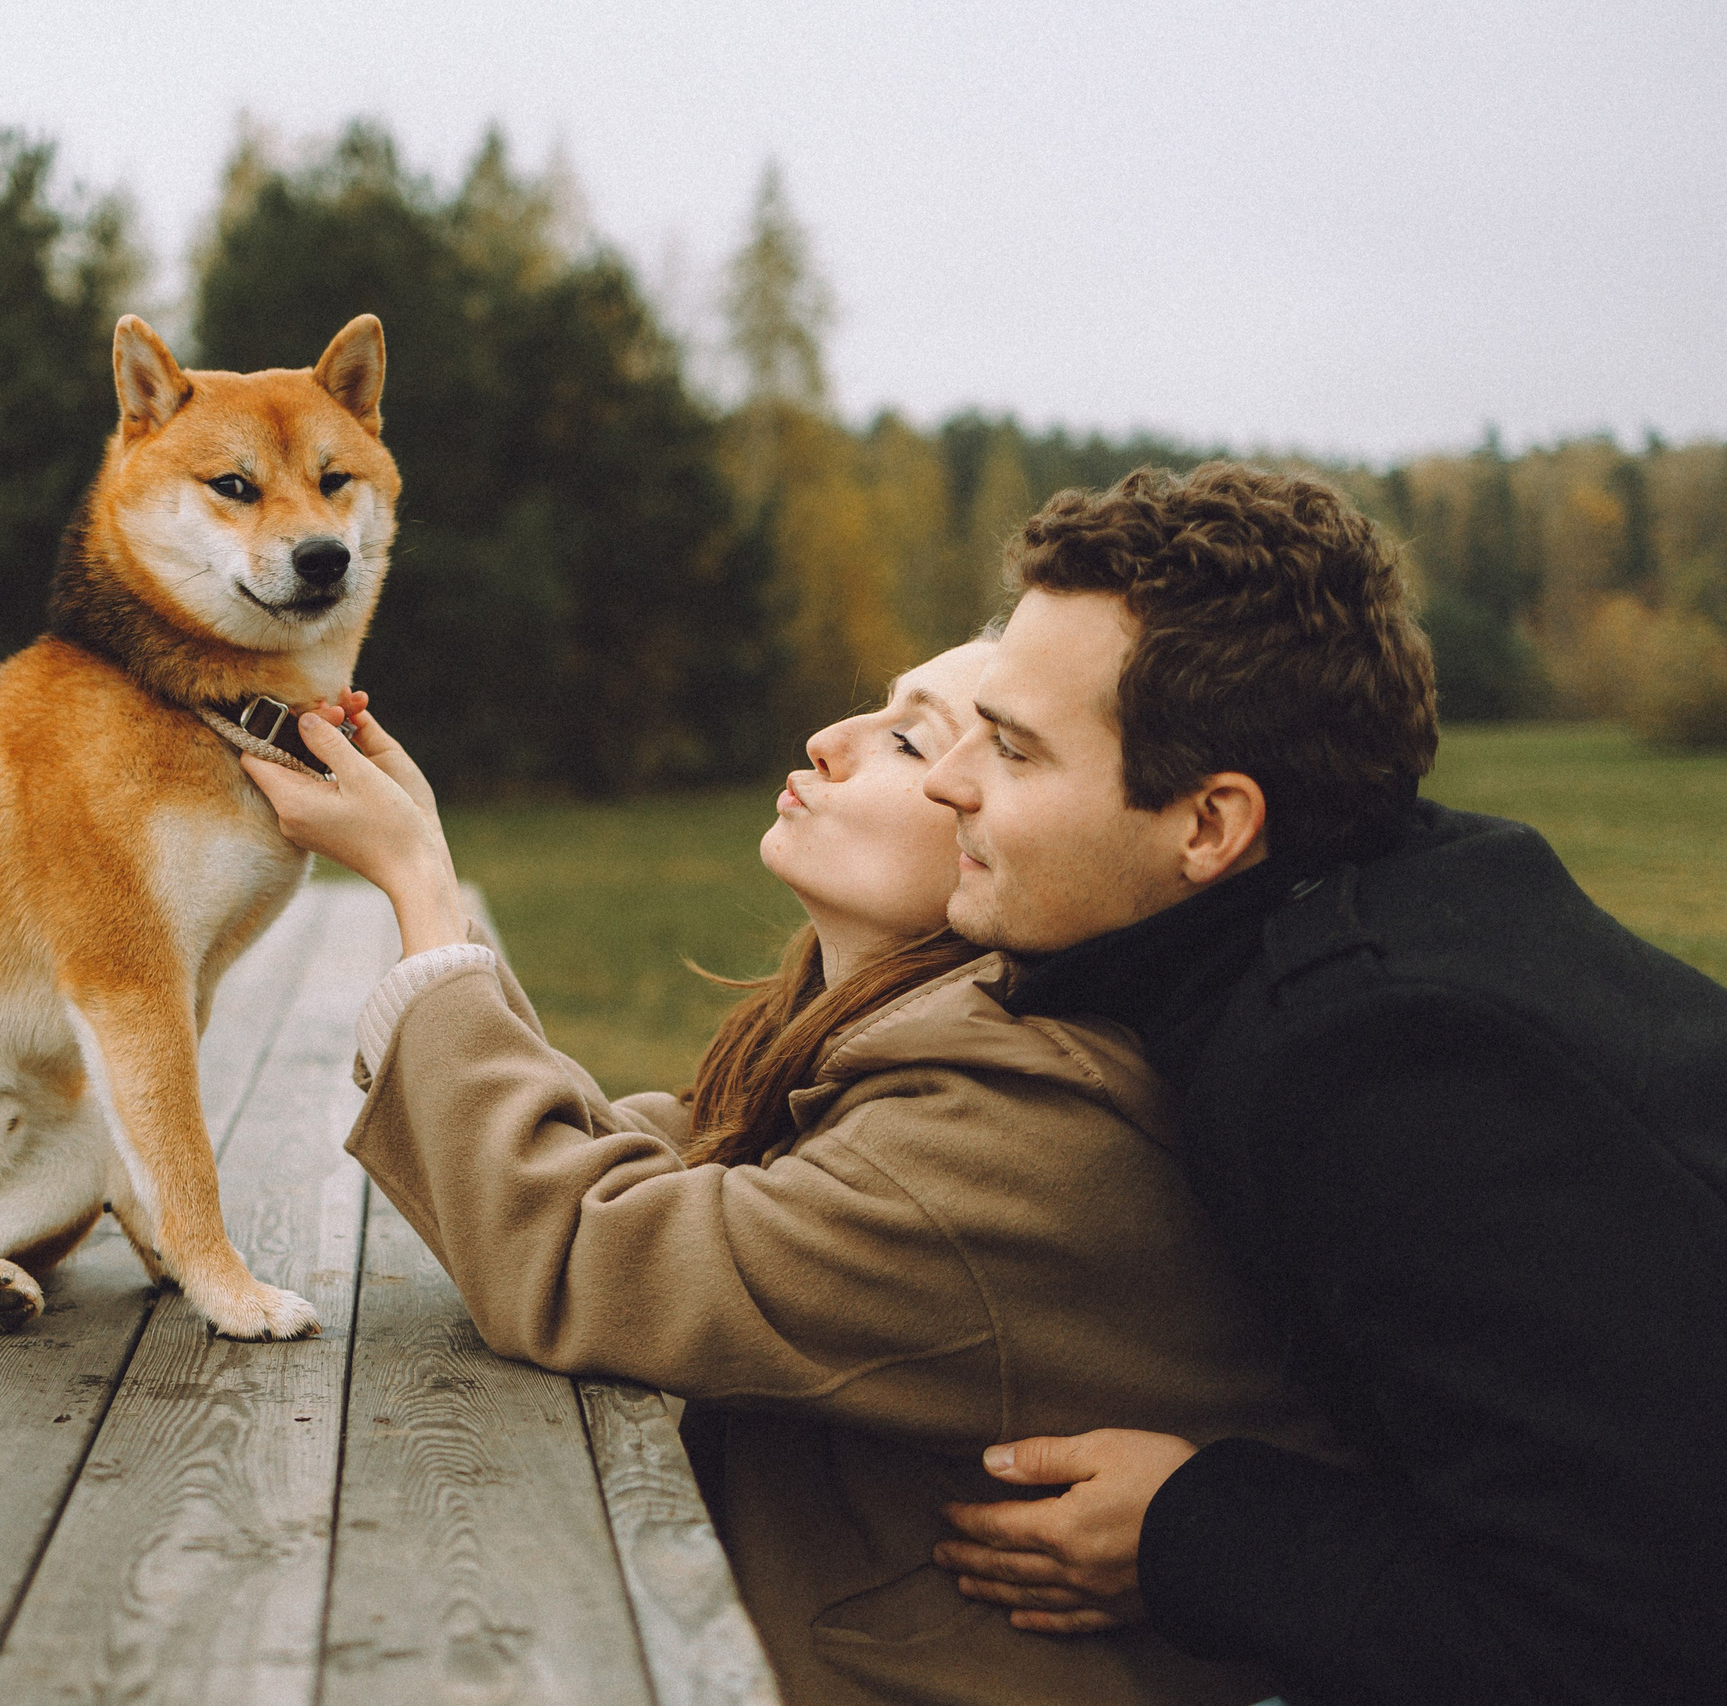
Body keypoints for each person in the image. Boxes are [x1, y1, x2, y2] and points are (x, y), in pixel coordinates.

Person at [245, 642, 1334, 1706]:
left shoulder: (1000, 1128)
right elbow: (637, 1166)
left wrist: (419, 888)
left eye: (911, 741)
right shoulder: (892, 1053)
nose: (829, 739)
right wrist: (426, 867)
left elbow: (582, 1249)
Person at [908, 464, 1727, 1706]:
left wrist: (1192, 1529)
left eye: (1014, 749)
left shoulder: (1382, 1070)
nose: (945, 779)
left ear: (1209, 827)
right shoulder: (1374, 917)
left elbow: (1633, 1638)